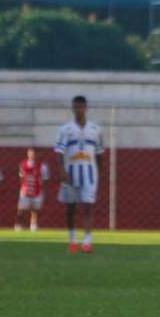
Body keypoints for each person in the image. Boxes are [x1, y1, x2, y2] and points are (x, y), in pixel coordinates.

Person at [55, 95, 103, 253]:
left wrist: (99, 173)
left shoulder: (95, 130)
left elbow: (100, 153)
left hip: (90, 174)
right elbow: (59, 152)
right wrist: (62, 170)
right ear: (73, 108)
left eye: (81, 107)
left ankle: (87, 242)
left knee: (88, 207)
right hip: (71, 174)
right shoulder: (66, 129)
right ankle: (72, 240)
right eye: (76, 107)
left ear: (86, 108)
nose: (79, 110)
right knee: (71, 209)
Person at [16, 147, 49, 232]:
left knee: (35, 210)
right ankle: (19, 226)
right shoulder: (23, 164)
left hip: (37, 190)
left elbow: (45, 179)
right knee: (21, 210)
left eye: (34, 153)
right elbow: (21, 178)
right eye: (30, 153)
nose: (32, 155)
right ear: (28, 154)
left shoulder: (42, 166)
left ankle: (33, 226)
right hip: (25, 190)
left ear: (36, 155)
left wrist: (44, 190)